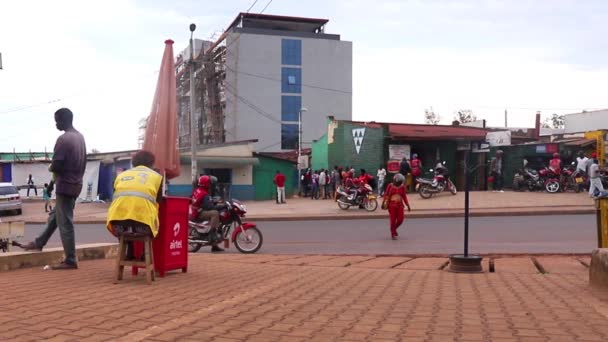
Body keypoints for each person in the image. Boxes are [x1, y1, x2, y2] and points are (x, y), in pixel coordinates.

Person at [21, 108, 86, 270]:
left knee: (65, 222)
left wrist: (50, 169)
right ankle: (39, 242)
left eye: (57, 120)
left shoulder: (63, 139)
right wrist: (51, 185)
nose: (55, 123)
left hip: (65, 186)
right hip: (76, 184)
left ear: (64, 120)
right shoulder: (80, 137)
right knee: (55, 216)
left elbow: (57, 166)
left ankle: (71, 260)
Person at [106, 151, 163, 260]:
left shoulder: (121, 175)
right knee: (147, 219)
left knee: (128, 220)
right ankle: (144, 255)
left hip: (117, 226)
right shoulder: (156, 177)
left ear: (134, 162)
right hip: (144, 227)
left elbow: (116, 195)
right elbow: (158, 199)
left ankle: (129, 253)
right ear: (151, 163)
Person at [191, 175, 225, 252]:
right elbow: (209, 207)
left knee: (215, 213)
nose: (210, 185)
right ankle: (212, 234)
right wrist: (222, 206)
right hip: (199, 213)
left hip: (197, 211)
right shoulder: (204, 193)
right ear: (206, 184)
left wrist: (212, 201)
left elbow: (203, 202)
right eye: (209, 183)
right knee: (215, 213)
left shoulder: (198, 190)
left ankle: (214, 246)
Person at [383, 173, 411, 240]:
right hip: (391, 206)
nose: (400, 183)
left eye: (401, 182)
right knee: (392, 221)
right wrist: (384, 202)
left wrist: (408, 205)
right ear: (395, 180)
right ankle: (393, 233)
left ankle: (394, 229)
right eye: (399, 182)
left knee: (400, 220)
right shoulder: (390, 186)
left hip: (400, 205)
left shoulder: (402, 187)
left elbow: (404, 196)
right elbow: (386, 195)